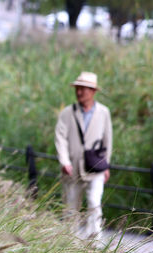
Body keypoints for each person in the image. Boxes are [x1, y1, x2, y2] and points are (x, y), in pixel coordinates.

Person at [54, 71, 113, 242]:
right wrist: (64, 161)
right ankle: (69, 244)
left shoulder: (103, 112)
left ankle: (94, 242)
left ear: (93, 91)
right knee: (71, 208)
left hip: (96, 168)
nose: (80, 92)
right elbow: (60, 138)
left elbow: (107, 140)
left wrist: (106, 165)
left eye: (84, 89)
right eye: (78, 88)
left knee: (95, 203)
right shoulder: (67, 112)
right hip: (72, 169)